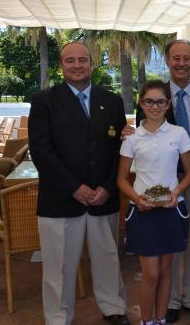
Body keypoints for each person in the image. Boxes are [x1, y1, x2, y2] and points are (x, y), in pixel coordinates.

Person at [28, 42, 129, 325]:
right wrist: (74, 187)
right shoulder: (44, 101)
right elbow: (41, 152)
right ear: (61, 65)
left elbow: (119, 150)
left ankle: (114, 307)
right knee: (59, 266)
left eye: (82, 60)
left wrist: (108, 186)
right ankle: (59, 316)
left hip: (103, 198)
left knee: (108, 259)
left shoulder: (111, 101)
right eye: (70, 60)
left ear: (91, 63)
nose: (77, 65)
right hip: (60, 200)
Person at [128, 40, 190, 322]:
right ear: (168, 60)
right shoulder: (154, 95)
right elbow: (140, 132)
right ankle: (171, 302)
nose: (181, 63)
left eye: (187, 58)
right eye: (176, 58)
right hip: (162, 181)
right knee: (169, 243)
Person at [117, 80, 190, 325]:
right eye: (149, 101)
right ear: (141, 103)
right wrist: (136, 199)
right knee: (150, 274)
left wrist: (177, 192)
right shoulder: (132, 137)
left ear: (168, 104)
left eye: (160, 101)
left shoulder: (178, 133)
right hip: (142, 211)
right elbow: (121, 179)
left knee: (165, 272)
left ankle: (160, 320)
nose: (154, 106)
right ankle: (146, 321)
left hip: (172, 210)